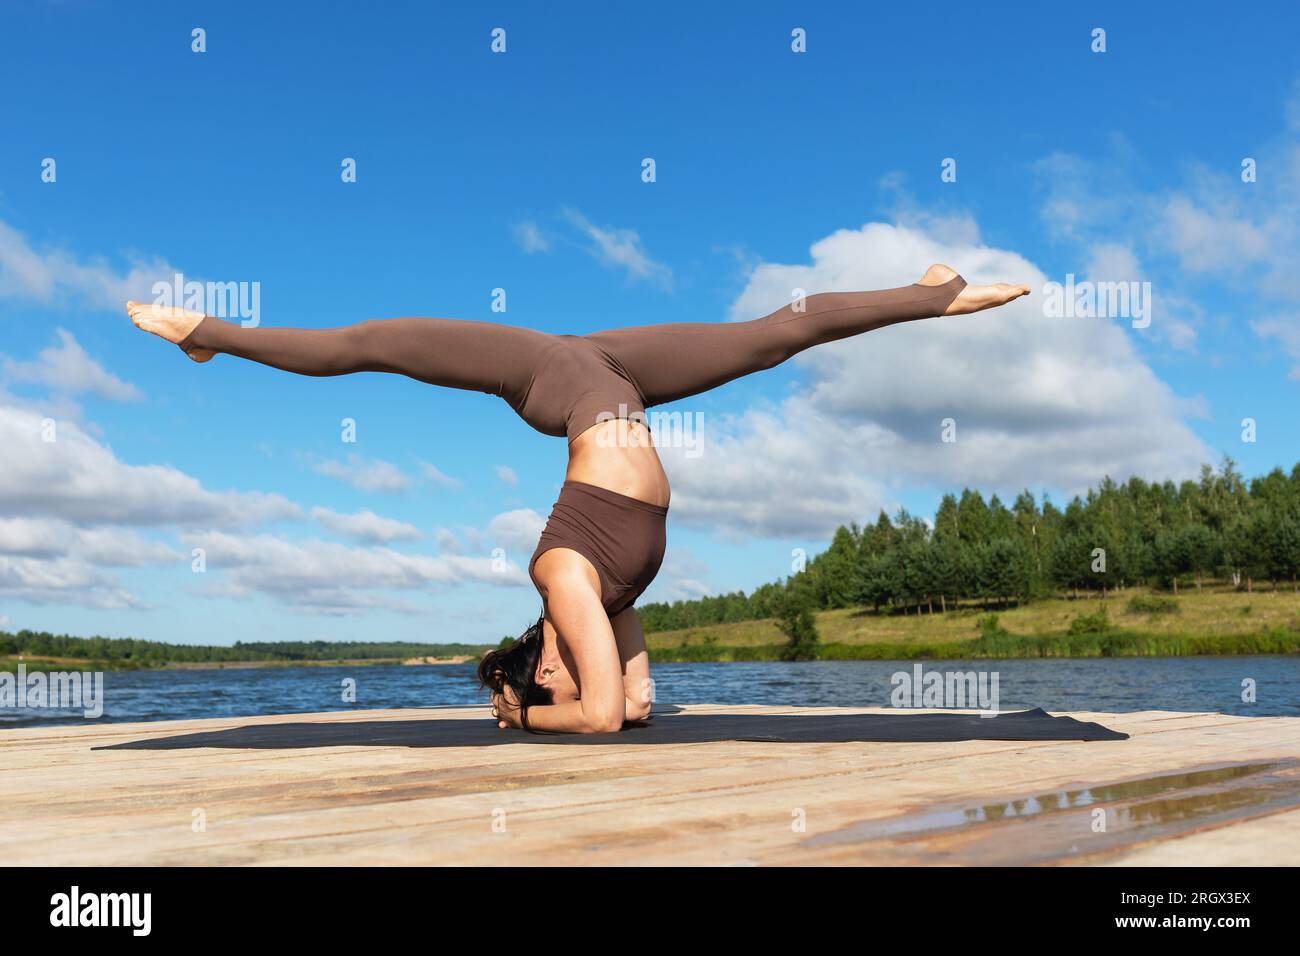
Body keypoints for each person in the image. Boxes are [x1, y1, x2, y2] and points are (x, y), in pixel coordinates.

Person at [127, 263, 1028, 733]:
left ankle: (207, 335)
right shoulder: (606, 600)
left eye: (552, 675)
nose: (574, 677)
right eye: (559, 681)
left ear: (541, 663)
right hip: (616, 370)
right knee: (769, 338)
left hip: (550, 375)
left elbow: (589, 716)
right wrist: (554, 705)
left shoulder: (561, 578)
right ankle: (925, 292)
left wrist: (528, 714)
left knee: (374, 340)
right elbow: (625, 709)